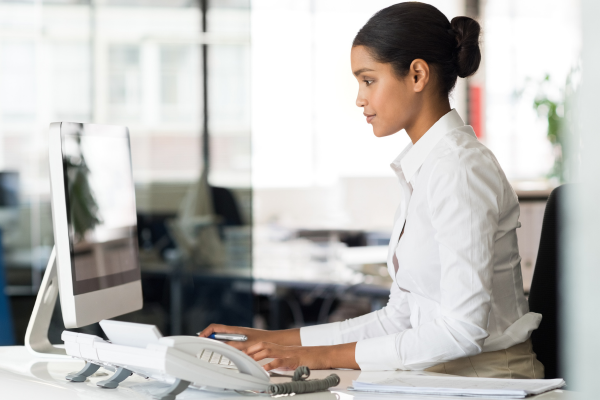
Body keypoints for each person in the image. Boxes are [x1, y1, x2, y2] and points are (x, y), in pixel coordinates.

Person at [199, 2, 544, 379]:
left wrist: (318, 356)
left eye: (368, 80)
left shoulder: (458, 169)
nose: (360, 98)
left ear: (416, 75)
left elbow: (463, 331)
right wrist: (279, 341)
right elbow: (398, 318)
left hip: (488, 379)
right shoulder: (425, 167)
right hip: (443, 375)